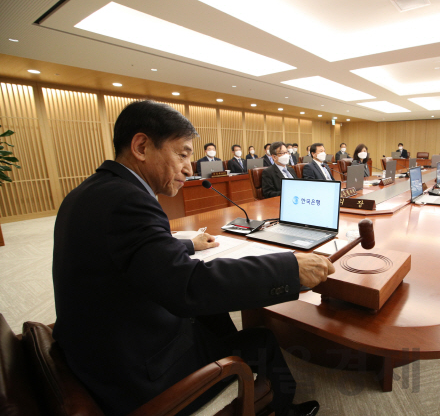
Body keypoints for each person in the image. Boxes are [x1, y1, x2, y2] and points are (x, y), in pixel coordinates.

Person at [52, 101, 330, 416]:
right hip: (139, 374)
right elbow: (188, 287)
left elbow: (128, 253)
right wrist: (289, 269)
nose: (189, 167)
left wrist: (188, 245)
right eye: (182, 154)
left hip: (102, 346)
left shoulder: (88, 193)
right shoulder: (129, 201)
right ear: (141, 146)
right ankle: (283, 410)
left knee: (216, 315)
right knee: (261, 338)